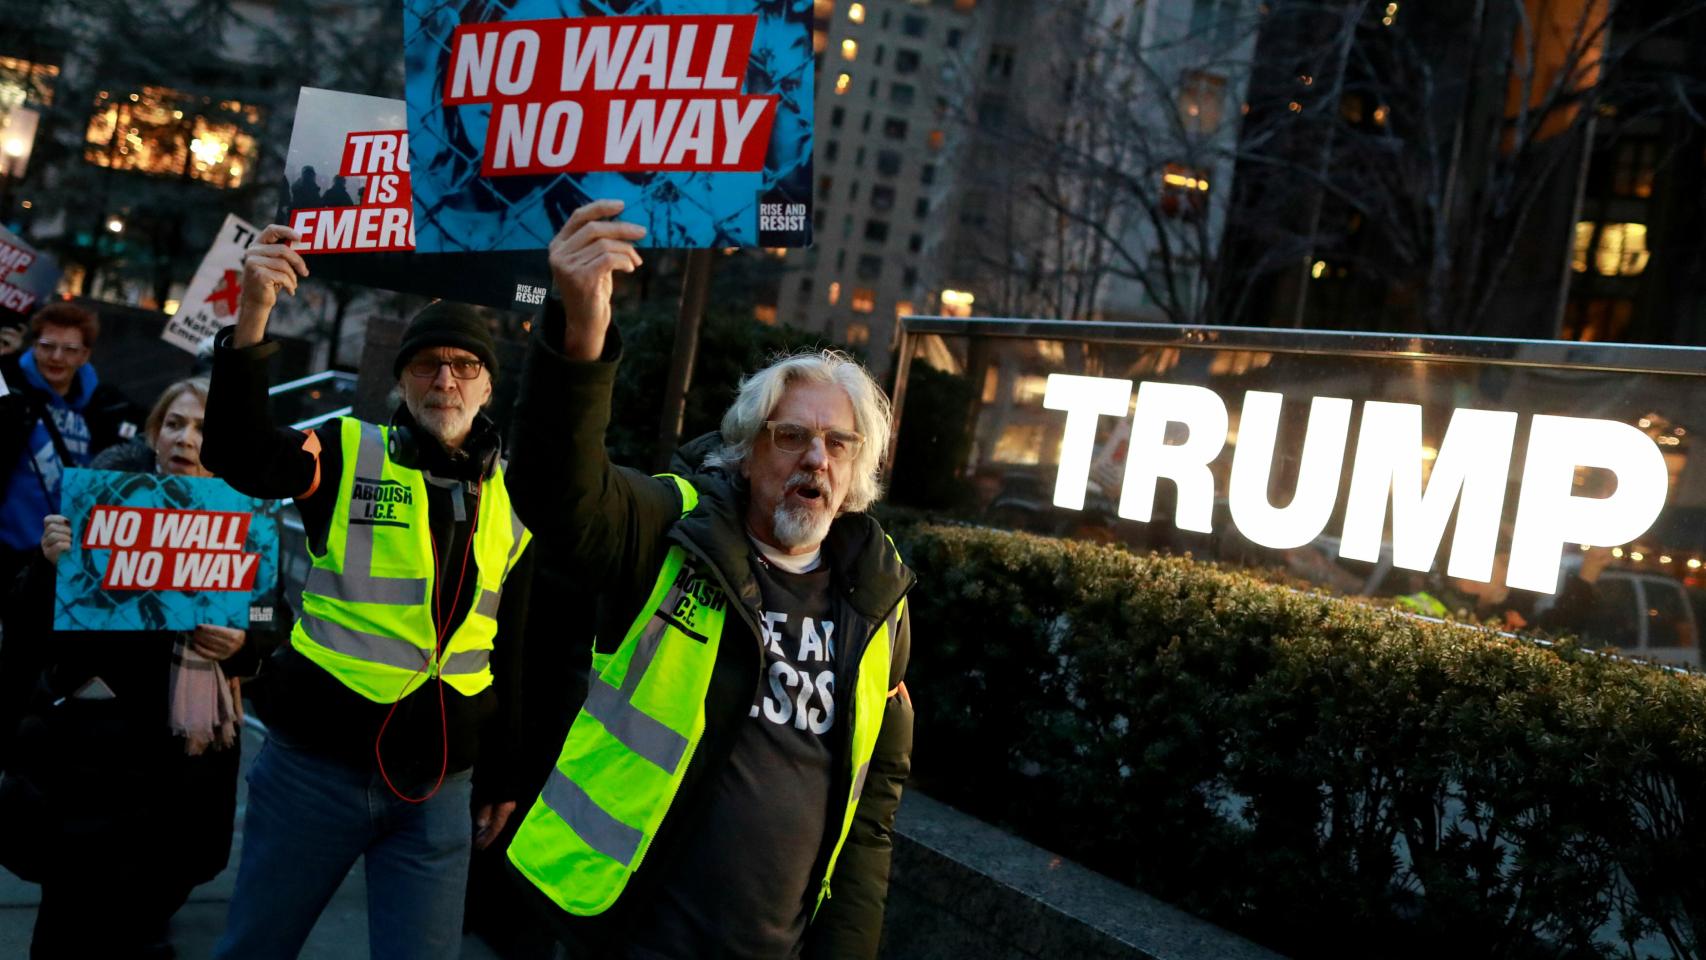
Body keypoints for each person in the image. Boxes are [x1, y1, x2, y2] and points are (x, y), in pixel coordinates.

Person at [503, 199, 915, 958]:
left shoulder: (877, 596)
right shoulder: (674, 526)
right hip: (629, 934)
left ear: (858, 469)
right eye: (791, 436)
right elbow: (560, 495)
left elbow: (872, 806)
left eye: (837, 443)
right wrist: (581, 329)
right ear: (747, 450)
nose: (815, 459)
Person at [203, 224, 535, 960]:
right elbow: (234, 448)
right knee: (255, 947)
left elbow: (509, 646)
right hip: (315, 774)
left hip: (441, 789)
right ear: (400, 379)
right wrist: (253, 310)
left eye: (461, 366)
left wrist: (504, 769)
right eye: (424, 366)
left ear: (487, 383)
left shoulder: (515, 497)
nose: (443, 381)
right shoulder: (346, 450)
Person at [2, 377, 279, 959]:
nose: (186, 437)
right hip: (89, 769)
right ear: (154, 435)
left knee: (147, 921)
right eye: (174, 424)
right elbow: (28, 634)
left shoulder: (247, 528)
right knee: (66, 933)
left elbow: (271, 636)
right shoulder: (96, 512)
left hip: (185, 774)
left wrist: (239, 646)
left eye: (204, 428)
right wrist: (50, 565)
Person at [0, 302, 142, 587]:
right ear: (33, 346)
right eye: (47, 346)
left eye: (70, 349)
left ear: (85, 355)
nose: (56, 357)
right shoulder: (8, 389)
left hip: (63, 557)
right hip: (7, 548)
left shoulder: (106, 405)